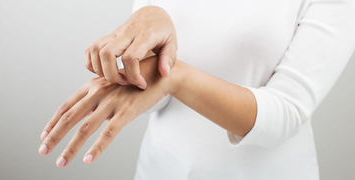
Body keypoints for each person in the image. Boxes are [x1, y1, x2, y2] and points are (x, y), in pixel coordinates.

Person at [38, 0, 355, 179]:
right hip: (161, 170)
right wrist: (146, 28)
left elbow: (285, 113)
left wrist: (177, 76)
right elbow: (154, 93)